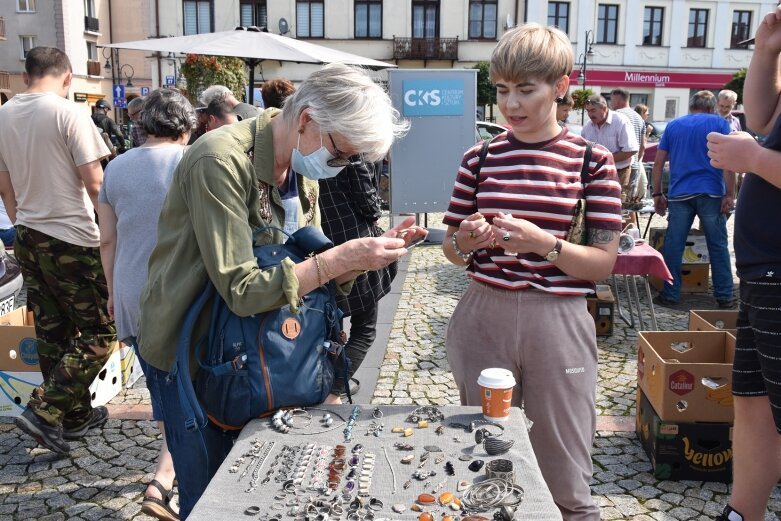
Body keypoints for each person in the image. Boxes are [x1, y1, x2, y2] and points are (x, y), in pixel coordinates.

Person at [135, 63, 424, 518]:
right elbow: (244, 289)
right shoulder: (220, 160)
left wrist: (363, 260)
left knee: (261, 482)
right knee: (210, 493)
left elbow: (306, 267)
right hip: (192, 349)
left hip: (255, 348)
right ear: (307, 119)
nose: (342, 167)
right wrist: (338, 260)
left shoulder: (299, 165)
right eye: (343, 154)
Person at [441, 24, 621, 521]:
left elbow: (604, 263)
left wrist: (546, 245)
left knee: (565, 470)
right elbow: (452, 252)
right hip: (483, 313)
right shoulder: (478, 158)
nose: (511, 104)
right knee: (486, 458)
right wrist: (466, 242)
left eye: (526, 90)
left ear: (560, 86)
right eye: (502, 90)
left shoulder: (592, 161)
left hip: (559, 318)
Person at [0, 47, 115, 455]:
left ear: (27, 73)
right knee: (103, 330)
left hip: (29, 234)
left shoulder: (4, 115)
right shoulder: (69, 114)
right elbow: (97, 186)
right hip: (72, 237)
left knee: (52, 333)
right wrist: (111, 240)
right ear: (67, 77)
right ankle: (45, 411)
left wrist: (25, 223)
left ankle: (75, 417)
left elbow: (5, 187)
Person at [97, 89, 195, 521]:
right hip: (183, 296)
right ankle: (169, 479)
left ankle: (168, 474)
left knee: (161, 386)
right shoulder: (191, 162)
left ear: (144, 124)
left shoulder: (115, 167)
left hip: (132, 291)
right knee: (187, 392)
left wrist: (111, 290)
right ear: (187, 128)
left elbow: (107, 239)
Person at [706, 7, 781, 521]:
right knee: (753, 404)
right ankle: (741, 512)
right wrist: (765, 49)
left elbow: (757, 139)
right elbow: (761, 117)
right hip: (762, 271)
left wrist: (753, 159)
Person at [319, 157, 397, 402]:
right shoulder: (355, 151)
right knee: (365, 329)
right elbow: (370, 207)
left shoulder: (314, 145)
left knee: (331, 326)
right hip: (356, 247)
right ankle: (333, 389)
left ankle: (327, 381)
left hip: (320, 243)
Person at [651, 90, 735, 309]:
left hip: (680, 194)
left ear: (691, 106)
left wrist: (657, 194)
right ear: (712, 106)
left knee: (674, 245)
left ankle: (670, 294)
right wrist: (730, 194)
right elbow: (728, 162)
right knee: (717, 245)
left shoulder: (674, 125)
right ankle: (724, 295)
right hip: (711, 192)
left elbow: (658, 163)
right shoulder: (720, 123)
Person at [582, 95, 639, 203]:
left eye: (593, 110)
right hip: (596, 174)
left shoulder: (620, 121)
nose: (590, 115)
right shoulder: (587, 127)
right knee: (599, 204)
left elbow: (631, 150)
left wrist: (605, 160)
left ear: (604, 108)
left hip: (620, 171)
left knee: (618, 205)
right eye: (588, 111)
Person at [610, 88, 646, 200]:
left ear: (617, 100)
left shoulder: (615, 115)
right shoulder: (639, 117)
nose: (611, 103)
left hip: (620, 166)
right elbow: (643, 145)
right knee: (629, 202)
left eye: (611, 100)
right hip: (635, 165)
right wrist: (636, 160)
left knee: (616, 201)